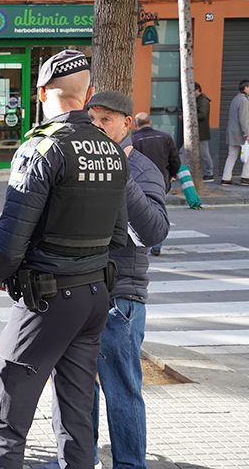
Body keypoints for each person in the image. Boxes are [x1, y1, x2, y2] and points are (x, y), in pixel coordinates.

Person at [0, 50, 129, 469]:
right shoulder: (112, 149)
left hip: (46, 299)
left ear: (42, 92)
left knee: (5, 415)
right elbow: (118, 236)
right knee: (78, 413)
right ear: (89, 94)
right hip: (95, 295)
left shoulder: (42, 147)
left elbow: (13, 233)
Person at [84, 91, 169, 469]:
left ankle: (130, 465)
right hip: (82, 291)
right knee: (80, 388)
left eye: (106, 120)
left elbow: (152, 232)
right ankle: (80, 459)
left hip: (121, 297)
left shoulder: (144, 170)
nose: (98, 127)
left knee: (121, 390)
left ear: (126, 124)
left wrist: (120, 173)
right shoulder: (83, 160)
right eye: (93, 119)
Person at [131, 113, 179, 257]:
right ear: (150, 122)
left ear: (135, 124)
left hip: (140, 181)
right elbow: (175, 159)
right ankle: (157, 244)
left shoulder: (134, 140)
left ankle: (145, 241)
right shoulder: (165, 137)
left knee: (141, 211)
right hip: (161, 180)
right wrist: (171, 175)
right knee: (159, 209)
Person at [221, 79, 249, 186]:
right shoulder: (244, 101)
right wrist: (247, 134)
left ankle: (226, 178)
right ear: (245, 88)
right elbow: (244, 119)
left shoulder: (235, 99)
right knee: (247, 154)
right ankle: (246, 177)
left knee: (231, 155)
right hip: (240, 133)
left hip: (232, 132)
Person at [195, 83, 214, 181]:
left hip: (201, 132)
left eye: (193, 91)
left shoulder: (203, 101)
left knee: (204, 153)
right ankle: (178, 172)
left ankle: (209, 174)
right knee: (184, 151)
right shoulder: (198, 100)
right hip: (196, 131)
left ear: (198, 90)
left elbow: (203, 115)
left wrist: (189, 116)